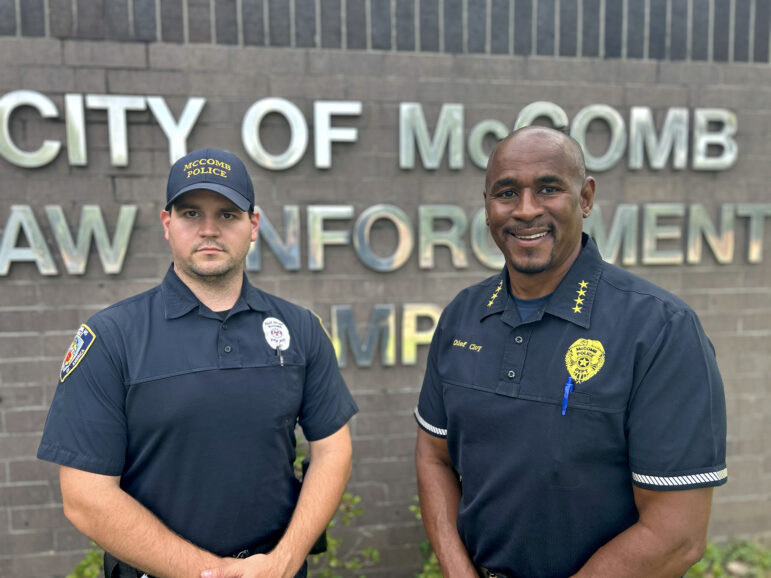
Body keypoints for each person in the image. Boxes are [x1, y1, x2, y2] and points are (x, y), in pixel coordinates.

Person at [414, 126, 727, 578]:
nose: (525, 210)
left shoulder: (660, 329)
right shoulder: (463, 315)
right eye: (506, 192)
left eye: (548, 188)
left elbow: (677, 535)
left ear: (585, 198)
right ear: (487, 206)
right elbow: (433, 456)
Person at [38, 148, 358, 578]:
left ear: (253, 226)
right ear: (167, 225)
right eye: (191, 213)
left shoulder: (299, 328)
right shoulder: (111, 337)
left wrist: (283, 562)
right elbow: (85, 497)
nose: (209, 229)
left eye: (227, 214)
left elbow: (332, 450)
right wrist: (208, 572)